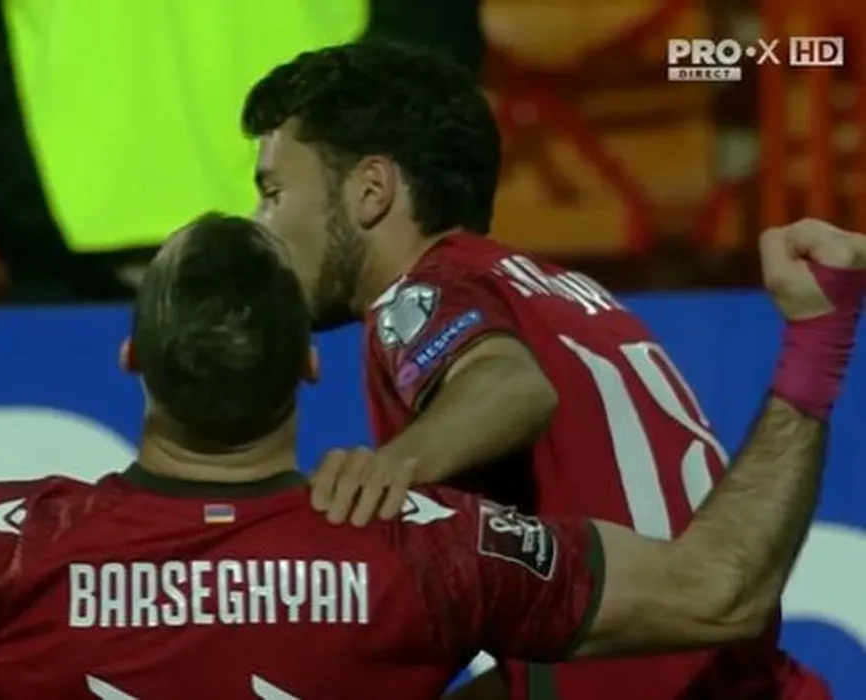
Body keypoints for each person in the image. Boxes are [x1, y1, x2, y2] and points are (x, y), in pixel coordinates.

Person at [0, 212, 848, 699]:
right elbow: (717, 591)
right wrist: (811, 340)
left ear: (128, 359)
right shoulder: (426, 553)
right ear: (308, 368)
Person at [241, 41, 832, 699]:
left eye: (273, 192)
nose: (260, 225)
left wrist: (390, 468)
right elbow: (574, 651)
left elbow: (509, 387)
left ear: (371, 190)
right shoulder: (562, 292)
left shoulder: (413, 299)